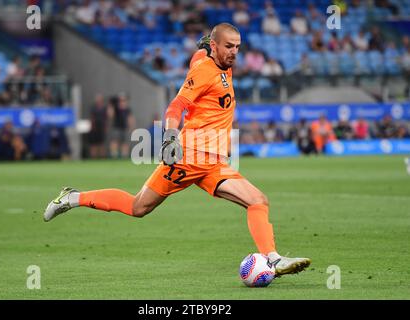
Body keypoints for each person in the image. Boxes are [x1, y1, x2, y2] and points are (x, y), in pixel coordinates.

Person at [43, 23, 311, 277]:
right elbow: (176, 105)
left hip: (214, 163)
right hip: (189, 158)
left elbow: (199, 54)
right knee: (139, 207)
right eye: (229, 46)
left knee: (258, 200)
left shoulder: (216, 61)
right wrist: (170, 137)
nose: (234, 53)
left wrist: (204, 48)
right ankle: (73, 197)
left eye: (238, 47)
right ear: (215, 46)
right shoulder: (203, 71)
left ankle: (273, 259)